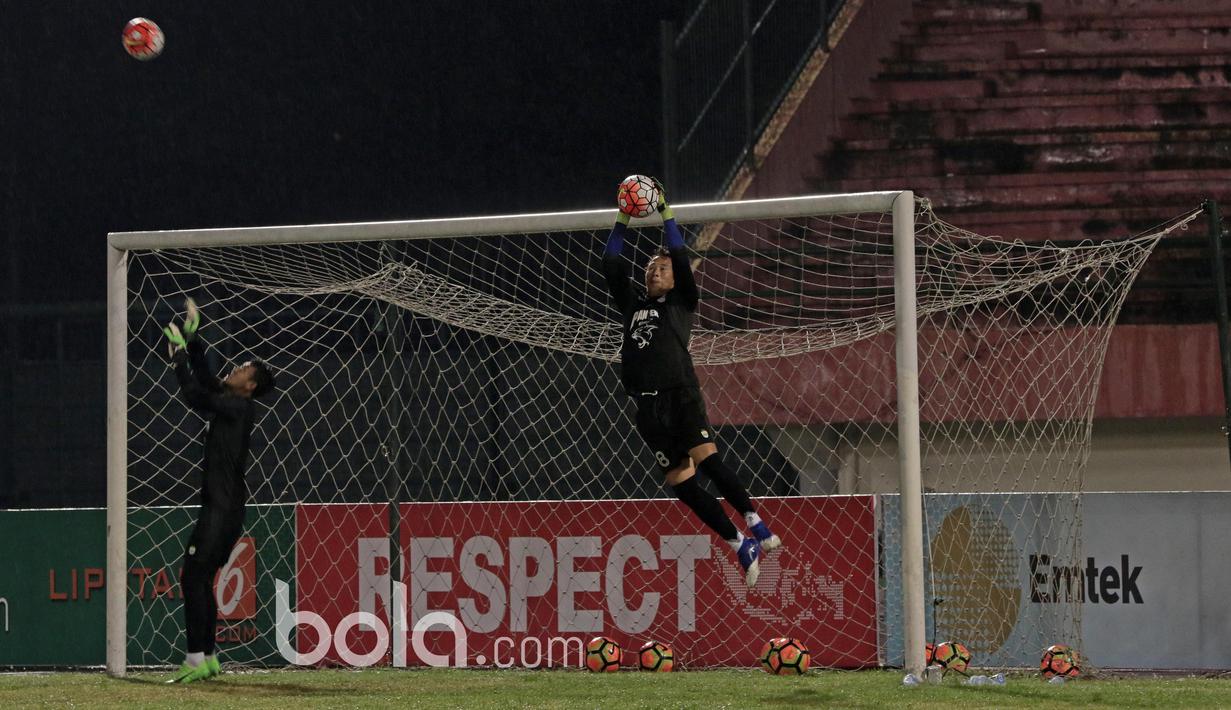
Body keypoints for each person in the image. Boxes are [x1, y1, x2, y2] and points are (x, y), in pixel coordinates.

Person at [602, 180, 781, 586]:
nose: (654, 270)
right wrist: (624, 217)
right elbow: (611, 265)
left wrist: (665, 212)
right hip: (646, 409)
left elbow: (681, 256)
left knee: (708, 460)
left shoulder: (683, 302)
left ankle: (755, 520)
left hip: (679, 395)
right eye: (650, 267)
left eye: (661, 267)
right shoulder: (634, 305)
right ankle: (739, 542)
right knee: (681, 484)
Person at [162, 299, 276, 683]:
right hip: (225, 509)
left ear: (251, 385)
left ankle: (196, 658)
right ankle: (207, 658)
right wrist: (194, 342)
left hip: (221, 510)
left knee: (192, 577)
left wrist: (178, 358)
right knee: (200, 578)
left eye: (244, 368)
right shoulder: (234, 404)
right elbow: (209, 382)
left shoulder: (239, 408)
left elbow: (196, 396)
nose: (237, 367)